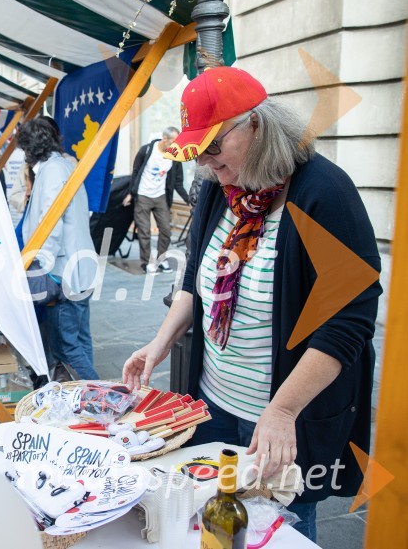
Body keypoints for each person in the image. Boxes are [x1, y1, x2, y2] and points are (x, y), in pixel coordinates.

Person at [122, 66, 381, 541]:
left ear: (257, 125)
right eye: (199, 153)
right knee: (212, 525)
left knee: (281, 529)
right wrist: (158, 345)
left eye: (215, 148)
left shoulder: (324, 192)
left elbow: (349, 319)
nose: (207, 164)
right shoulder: (221, 191)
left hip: (283, 413)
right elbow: (194, 283)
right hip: (215, 402)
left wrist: (282, 411)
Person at [16, 117, 98, 380]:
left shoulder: (52, 170)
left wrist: (42, 265)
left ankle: (102, 399)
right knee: (81, 342)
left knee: (68, 347)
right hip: (77, 269)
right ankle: (92, 400)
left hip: (62, 271)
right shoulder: (61, 165)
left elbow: (50, 222)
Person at [123, 127, 187, 273]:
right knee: (144, 231)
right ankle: (146, 262)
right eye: (173, 142)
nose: (175, 145)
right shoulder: (146, 150)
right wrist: (131, 193)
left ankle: (161, 259)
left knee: (166, 230)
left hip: (160, 197)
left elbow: (178, 182)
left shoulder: (174, 156)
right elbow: (135, 172)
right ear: (164, 138)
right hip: (143, 195)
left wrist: (188, 199)